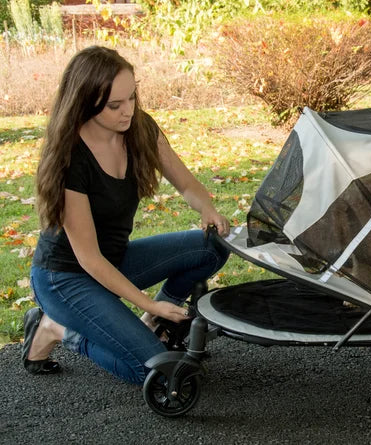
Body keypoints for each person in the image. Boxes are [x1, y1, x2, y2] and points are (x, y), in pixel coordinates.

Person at [22, 46, 230, 385]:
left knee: (213, 246)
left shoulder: (140, 128)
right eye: (115, 105)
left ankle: (153, 322)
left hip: (114, 261)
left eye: (132, 97)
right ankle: (56, 328)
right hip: (65, 278)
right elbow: (89, 260)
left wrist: (207, 207)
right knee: (160, 374)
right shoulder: (70, 159)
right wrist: (150, 300)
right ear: (84, 103)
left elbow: (188, 185)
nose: (128, 111)